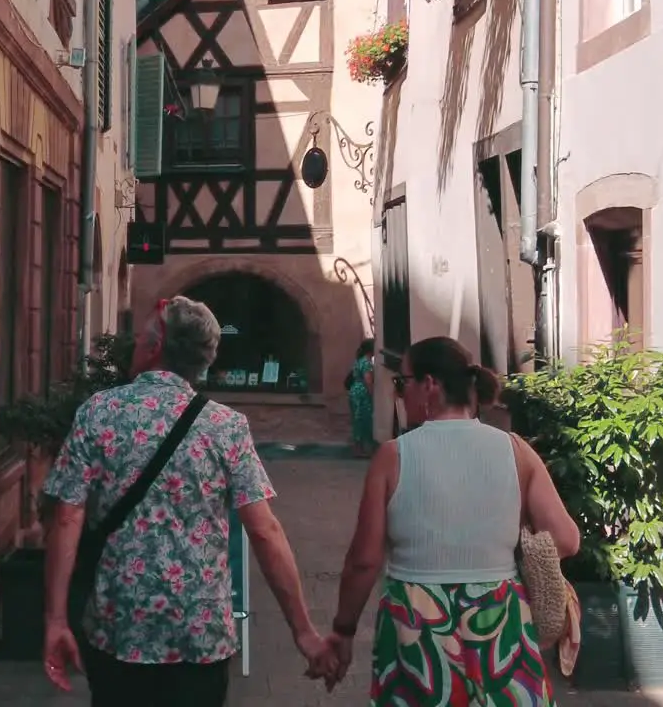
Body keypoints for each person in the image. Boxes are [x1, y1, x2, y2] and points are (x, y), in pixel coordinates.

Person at [40, 296, 334, 706]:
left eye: (141, 337)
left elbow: (68, 517)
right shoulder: (225, 427)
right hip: (199, 635)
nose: (136, 345)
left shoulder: (99, 413)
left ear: (154, 347)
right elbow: (264, 531)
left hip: (119, 627)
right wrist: (302, 630)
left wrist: (55, 620)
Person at [318, 336, 580, 705]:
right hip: (499, 617)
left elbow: (364, 561)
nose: (398, 394)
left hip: (416, 623)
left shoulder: (393, 457)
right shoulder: (516, 451)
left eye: (401, 383)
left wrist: (342, 632)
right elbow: (567, 540)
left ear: (429, 385)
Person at [347, 338, 377, 457]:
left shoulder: (359, 360)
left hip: (355, 391)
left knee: (357, 419)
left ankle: (359, 447)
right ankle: (361, 449)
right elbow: (368, 380)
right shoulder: (366, 362)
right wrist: (372, 394)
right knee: (363, 419)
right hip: (361, 394)